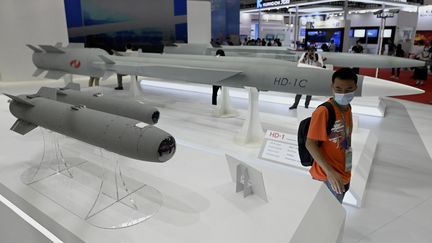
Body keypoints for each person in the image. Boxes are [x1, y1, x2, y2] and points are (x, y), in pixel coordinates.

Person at [306, 68, 358, 203]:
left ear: (355, 88)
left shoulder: (348, 108)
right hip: (327, 176)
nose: (343, 93)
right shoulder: (324, 111)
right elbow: (310, 143)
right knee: (326, 214)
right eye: (338, 89)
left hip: (343, 172)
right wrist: (330, 173)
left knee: (336, 209)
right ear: (332, 87)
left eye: (348, 89)